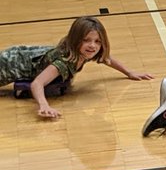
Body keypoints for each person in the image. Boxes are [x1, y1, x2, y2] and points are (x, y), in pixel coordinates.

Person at [0, 16, 153, 120]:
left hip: (22, 55)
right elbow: (37, 83)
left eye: (97, 41)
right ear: (75, 40)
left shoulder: (85, 51)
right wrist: (44, 105)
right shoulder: (64, 62)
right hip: (9, 64)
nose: (93, 46)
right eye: (86, 40)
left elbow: (107, 59)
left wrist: (129, 72)